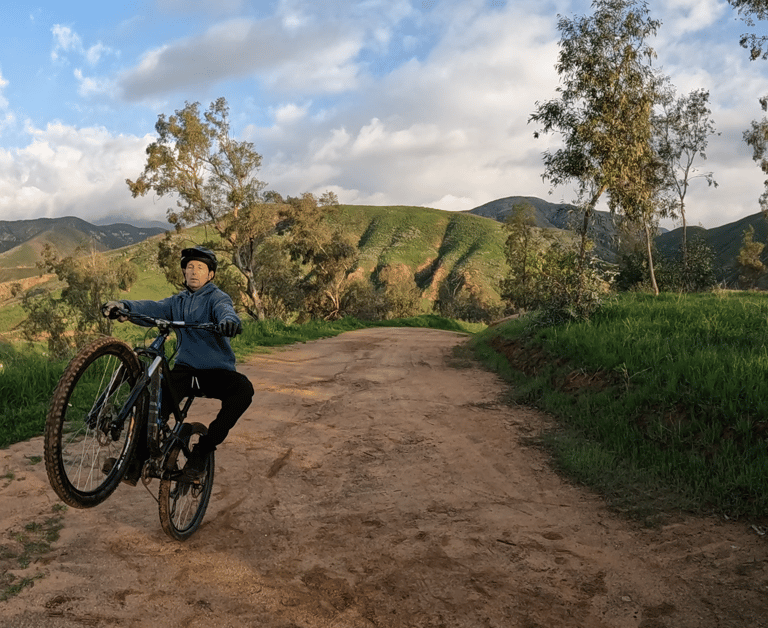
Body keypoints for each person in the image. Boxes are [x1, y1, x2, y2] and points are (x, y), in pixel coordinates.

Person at [102, 246, 254, 481]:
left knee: (243, 390)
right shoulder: (177, 302)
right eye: (189, 267)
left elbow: (226, 311)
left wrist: (229, 323)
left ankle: (203, 450)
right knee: (153, 407)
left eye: (200, 268)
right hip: (185, 371)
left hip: (215, 372)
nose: (194, 272)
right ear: (184, 272)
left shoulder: (217, 297)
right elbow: (153, 308)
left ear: (210, 275)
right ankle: (133, 463)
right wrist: (125, 308)